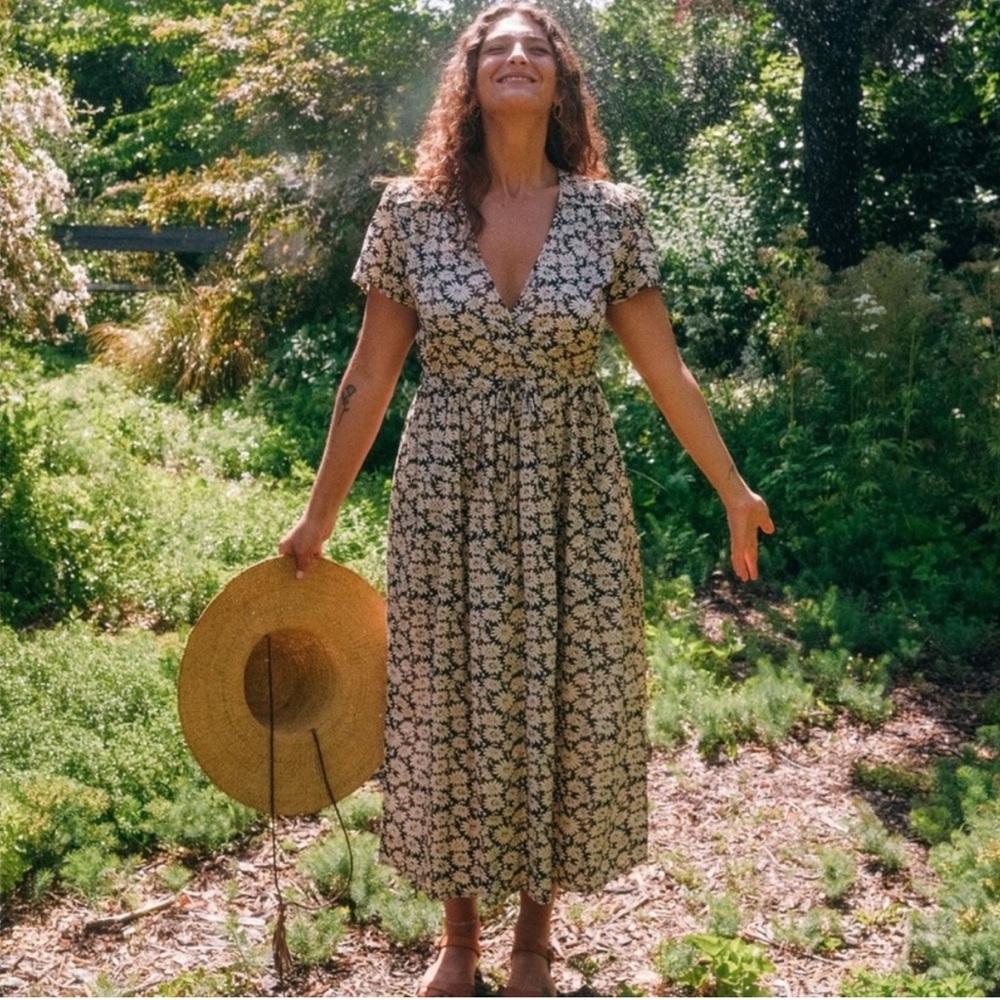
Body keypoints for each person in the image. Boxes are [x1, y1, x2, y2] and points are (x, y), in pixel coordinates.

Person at [279, 3, 774, 995]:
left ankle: (533, 944)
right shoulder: (408, 215)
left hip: (570, 488)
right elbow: (367, 378)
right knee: (449, 696)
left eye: (534, 45)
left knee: (559, 695)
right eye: (493, 44)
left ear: (559, 79)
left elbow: (665, 370)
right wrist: (319, 514)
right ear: (469, 77)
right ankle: (458, 940)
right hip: (443, 492)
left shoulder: (611, 214)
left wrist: (731, 486)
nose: (514, 55)